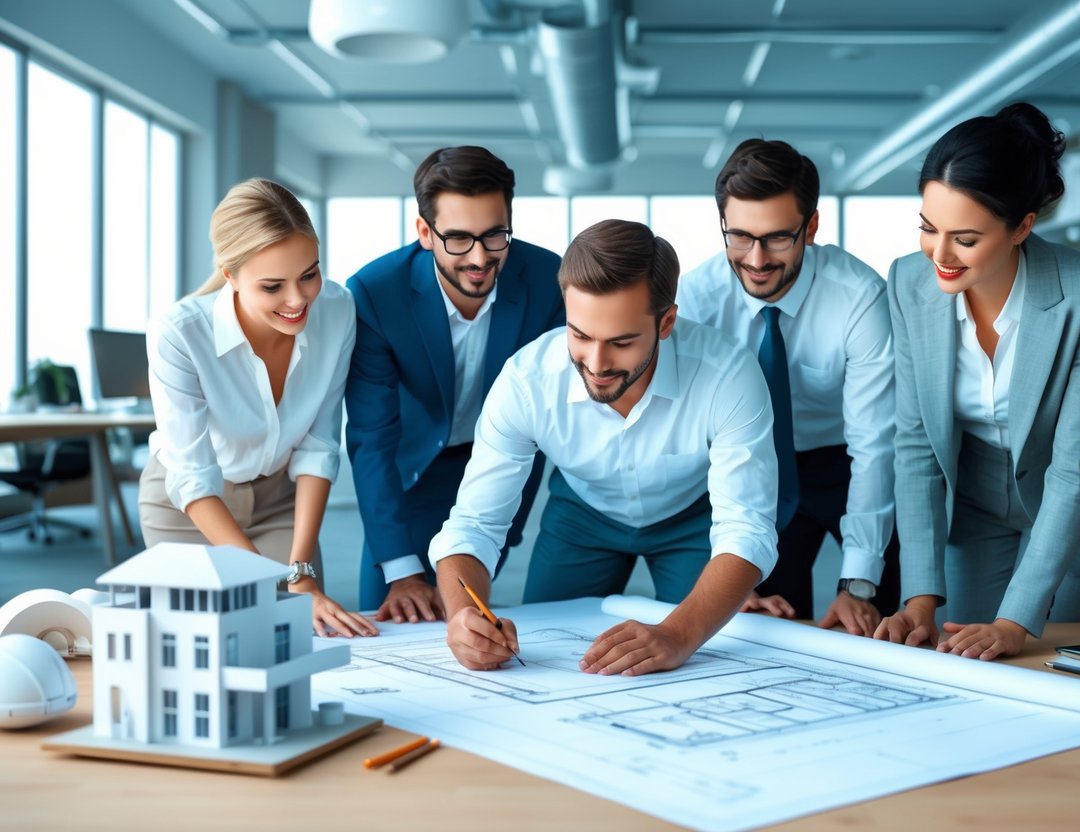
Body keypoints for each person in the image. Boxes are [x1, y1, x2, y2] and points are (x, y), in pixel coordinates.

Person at [430, 219, 779, 676]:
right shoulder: (526, 380)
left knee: (709, 650)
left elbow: (746, 528)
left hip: (692, 518)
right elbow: (473, 524)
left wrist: (678, 634)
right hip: (582, 515)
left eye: (621, 342)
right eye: (580, 335)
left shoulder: (729, 373)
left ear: (667, 322)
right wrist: (462, 616)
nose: (596, 364)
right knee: (547, 650)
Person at [874, 103, 1080, 660]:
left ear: (1022, 227)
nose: (941, 254)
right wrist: (919, 598)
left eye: (966, 238)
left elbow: (1076, 470)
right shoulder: (909, 281)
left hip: (1079, 490)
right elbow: (916, 446)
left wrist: (1015, 622)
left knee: (1038, 650)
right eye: (929, 229)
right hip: (976, 489)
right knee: (969, 650)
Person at [678, 139, 900, 634]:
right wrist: (729, 572)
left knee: (880, 620)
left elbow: (874, 446)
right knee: (771, 618)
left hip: (846, 459)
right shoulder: (696, 298)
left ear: (812, 227)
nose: (756, 259)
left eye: (778, 238)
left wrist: (856, 586)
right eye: (739, 237)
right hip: (756, 461)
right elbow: (695, 442)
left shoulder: (860, 298)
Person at [140, 178, 377, 638]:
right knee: (203, 646)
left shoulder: (337, 309)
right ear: (230, 275)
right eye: (273, 286)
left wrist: (300, 571)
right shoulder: (180, 333)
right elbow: (192, 477)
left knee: (296, 635)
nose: (298, 300)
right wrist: (273, 585)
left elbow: (319, 443)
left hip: (280, 502)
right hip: (193, 509)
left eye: (309, 274)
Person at [345, 146, 563, 624]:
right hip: (410, 473)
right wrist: (402, 572)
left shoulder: (550, 282)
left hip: (500, 464)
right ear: (425, 232)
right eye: (459, 239)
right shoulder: (375, 293)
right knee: (388, 620)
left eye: (494, 235)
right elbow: (371, 438)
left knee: (464, 616)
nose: (481, 258)